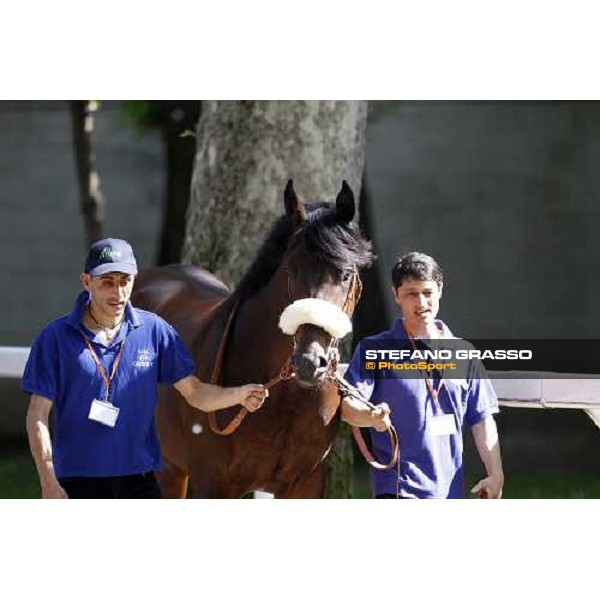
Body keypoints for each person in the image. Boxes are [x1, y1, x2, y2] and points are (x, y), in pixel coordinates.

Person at [23, 238, 268, 499]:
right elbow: (37, 414)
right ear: (86, 282)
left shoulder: (156, 331)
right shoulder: (54, 338)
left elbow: (195, 393)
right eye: (107, 282)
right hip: (77, 480)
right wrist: (47, 479)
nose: (118, 293)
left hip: (141, 482)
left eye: (124, 281)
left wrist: (239, 395)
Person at [345, 252, 504, 499]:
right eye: (411, 293)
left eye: (427, 292)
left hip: (450, 491)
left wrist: (496, 474)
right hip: (398, 490)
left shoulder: (464, 353)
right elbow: (348, 407)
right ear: (396, 295)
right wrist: (370, 417)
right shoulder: (373, 349)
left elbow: (482, 419)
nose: (421, 303)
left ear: (440, 291)